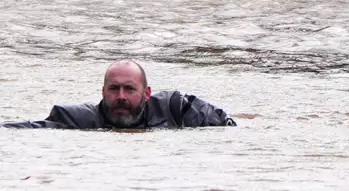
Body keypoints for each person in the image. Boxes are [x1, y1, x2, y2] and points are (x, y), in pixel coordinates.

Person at [1, 60, 236, 129]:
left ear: (146, 93)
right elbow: (31, 129)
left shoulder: (177, 108)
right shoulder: (79, 119)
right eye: (114, 89)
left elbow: (228, 127)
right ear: (103, 92)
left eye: (130, 89)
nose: (121, 96)